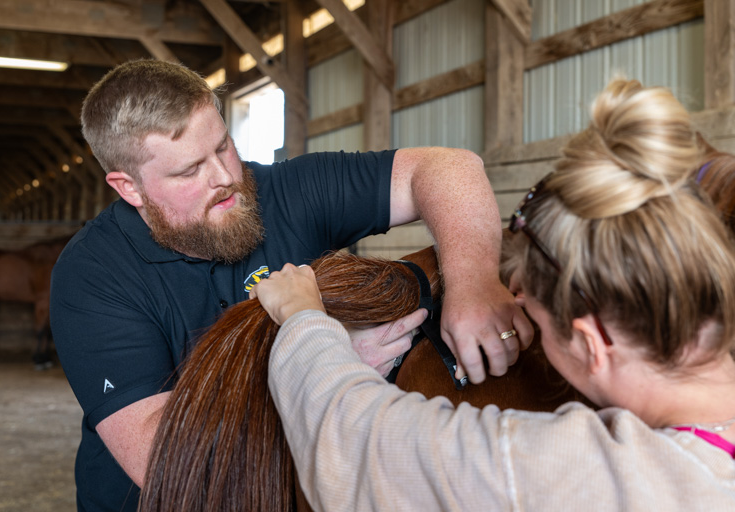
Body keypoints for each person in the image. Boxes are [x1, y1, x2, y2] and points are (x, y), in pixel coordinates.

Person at [49, 59, 531, 511]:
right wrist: (324, 364)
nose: (225, 178)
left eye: (223, 146)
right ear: (128, 187)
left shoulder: (285, 190)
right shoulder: (94, 274)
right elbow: (163, 457)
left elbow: (448, 167)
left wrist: (474, 281)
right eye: (189, 170)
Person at [254, 78, 735, 511]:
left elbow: (357, 447)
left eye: (537, 323)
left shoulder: (579, 476)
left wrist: (302, 316)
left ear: (593, 342)